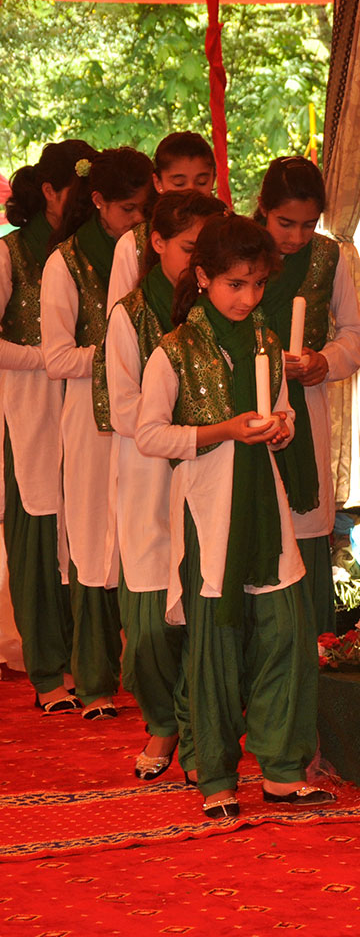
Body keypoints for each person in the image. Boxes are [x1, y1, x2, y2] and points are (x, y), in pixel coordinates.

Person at [135, 214, 335, 819]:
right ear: (203, 278)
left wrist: (281, 429)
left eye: (257, 284)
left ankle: (281, 770)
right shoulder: (174, 350)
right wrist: (221, 431)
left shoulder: (268, 342)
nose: (248, 298)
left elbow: (282, 412)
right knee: (215, 643)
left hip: (266, 506)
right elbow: (149, 434)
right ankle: (216, 775)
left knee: (284, 634)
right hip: (209, 511)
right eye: (234, 284)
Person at [106, 190, 228, 780]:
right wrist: (194, 428)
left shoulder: (225, 310)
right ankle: (162, 720)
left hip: (214, 477)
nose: (197, 261)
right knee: (152, 624)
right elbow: (122, 408)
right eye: (188, 248)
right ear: (156, 243)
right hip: (150, 475)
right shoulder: (129, 315)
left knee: (206, 615)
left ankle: (202, 734)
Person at [41, 146, 153, 720]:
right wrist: (120, 355)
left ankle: (146, 672)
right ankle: (94, 680)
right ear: (98, 202)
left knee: (142, 531)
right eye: (128, 209)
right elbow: (57, 358)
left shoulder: (156, 251)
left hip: (148, 412)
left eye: (145, 208)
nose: (138, 220)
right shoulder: (65, 263)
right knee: (91, 539)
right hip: (89, 417)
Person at [254, 156, 360, 637]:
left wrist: (325, 360)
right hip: (241, 407)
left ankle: (308, 648)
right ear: (262, 209)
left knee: (303, 523)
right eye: (285, 223)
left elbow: (357, 332)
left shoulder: (330, 256)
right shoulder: (239, 249)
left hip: (307, 404)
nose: (297, 237)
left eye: (309, 224)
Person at [0, 140, 91, 714]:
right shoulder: (11, 253)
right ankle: (46, 670)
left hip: (84, 402)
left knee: (83, 530)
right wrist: (51, 357)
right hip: (29, 405)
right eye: (79, 193)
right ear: (51, 191)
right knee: (37, 533)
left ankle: (86, 660)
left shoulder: (93, 251)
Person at [107, 132, 217, 307]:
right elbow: (120, 314)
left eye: (202, 182)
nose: (191, 190)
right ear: (158, 183)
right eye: (179, 183)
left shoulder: (227, 233)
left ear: (213, 179)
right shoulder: (132, 244)